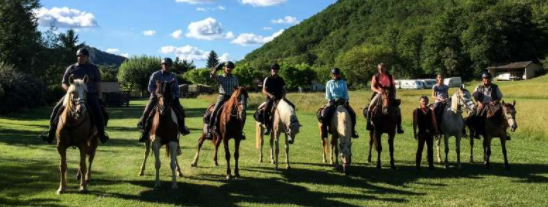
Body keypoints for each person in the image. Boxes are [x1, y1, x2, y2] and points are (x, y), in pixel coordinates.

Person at [39, 48, 109, 144]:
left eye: (83, 56)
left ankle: (102, 135)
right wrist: (70, 91)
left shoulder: (94, 68)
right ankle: (50, 135)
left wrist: (100, 97)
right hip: (72, 95)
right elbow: (63, 83)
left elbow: (98, 84)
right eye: (79, 56)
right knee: (56, 110)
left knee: (99, 113)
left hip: (90, 95)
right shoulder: (71, 68)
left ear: (87, 57)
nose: (80, 58)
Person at [137, 58, 190, 142]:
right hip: (156, 97)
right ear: (162, 65)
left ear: (170, 66)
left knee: (180, 110)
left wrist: (174, 96)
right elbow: (150, 87)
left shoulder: (173, 76)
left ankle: (182, 128)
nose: (166, 66)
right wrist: (158, 95)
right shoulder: (155, 74)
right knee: (147, 111)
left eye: (168, 65)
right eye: (164, 64)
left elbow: (176, 89)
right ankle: (144, 132)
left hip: (170, 98)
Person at [205, 61, 245, 140]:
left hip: (232, 98)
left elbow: (237, 89)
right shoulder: (221, 77)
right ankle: (210, 131)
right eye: (227, 67)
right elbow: (212, 76)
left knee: (242, 112)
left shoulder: (235, 78)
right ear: (224, 68)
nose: (229, 69)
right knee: (214, 112)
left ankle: (240, 132)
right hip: (222, 97)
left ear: (232, 69)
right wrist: (216, 68)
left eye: (230, 67)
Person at [366, 63, 404, 134]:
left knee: (398, 109)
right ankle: (369, 123)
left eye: (382, 68)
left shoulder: (390, 76)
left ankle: (399, 127)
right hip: (379, 93)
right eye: (379, 69)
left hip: (389, 94)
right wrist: (378, 91)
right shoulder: (375, 76)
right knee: (370, 106)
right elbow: (372, 87)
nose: (380, 70)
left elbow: (393, 86)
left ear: (385, 68)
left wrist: (393, 94)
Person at [321, 68, 359, 138]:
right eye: (334, 74)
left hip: (342, 101)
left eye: (336, 74)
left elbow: (345, 93)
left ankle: (352, 131)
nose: (335, 75)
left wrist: (346, 100)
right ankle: (324, 132)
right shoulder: (329, 83)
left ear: (339, 74)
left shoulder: (343, 82)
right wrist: (330, 100)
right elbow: (327, 94)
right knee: (325, 115)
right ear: (332, 75)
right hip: (332, 101)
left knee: (353, 114)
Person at [261, 63, 295, 135]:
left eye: (276, 69)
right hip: (271, 99)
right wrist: (270, 95)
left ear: (278, 71)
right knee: (266, 109)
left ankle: (292, 125)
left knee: (292, 106)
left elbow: (284, 89)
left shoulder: (281, 79)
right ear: (271, 70)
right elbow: (264, 90)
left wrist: (284, 96)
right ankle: (267, 126)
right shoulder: (267, 79)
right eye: (273, 69)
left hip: (280, 98)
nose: (275, 71)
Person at [470, 72, 505, 139]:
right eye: (485, 78)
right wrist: (479, 103)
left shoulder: (495, 87)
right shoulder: (478, 86)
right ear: (483, 79)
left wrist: (495, 102)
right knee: (477, 115)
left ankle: (503, 132)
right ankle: (476, 131)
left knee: (503, 114)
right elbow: (475, 96)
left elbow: (499, 97)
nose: (487, 79)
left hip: (493, 104)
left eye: (488, 78)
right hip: (482, 104)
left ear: (490, 79)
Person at [413, 96, 439, 170]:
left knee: (430, 149)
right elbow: (415, 123)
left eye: (426, 101)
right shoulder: (416, 111)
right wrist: (415, 132)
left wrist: (436, 131)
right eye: (423, 101)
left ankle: (431, 165)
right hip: (421, 132)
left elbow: (434, 122)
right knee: (420, 149)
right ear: (420, 102)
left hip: (430, 132)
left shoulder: (431, 111)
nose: (424, 102)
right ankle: (417, 165)